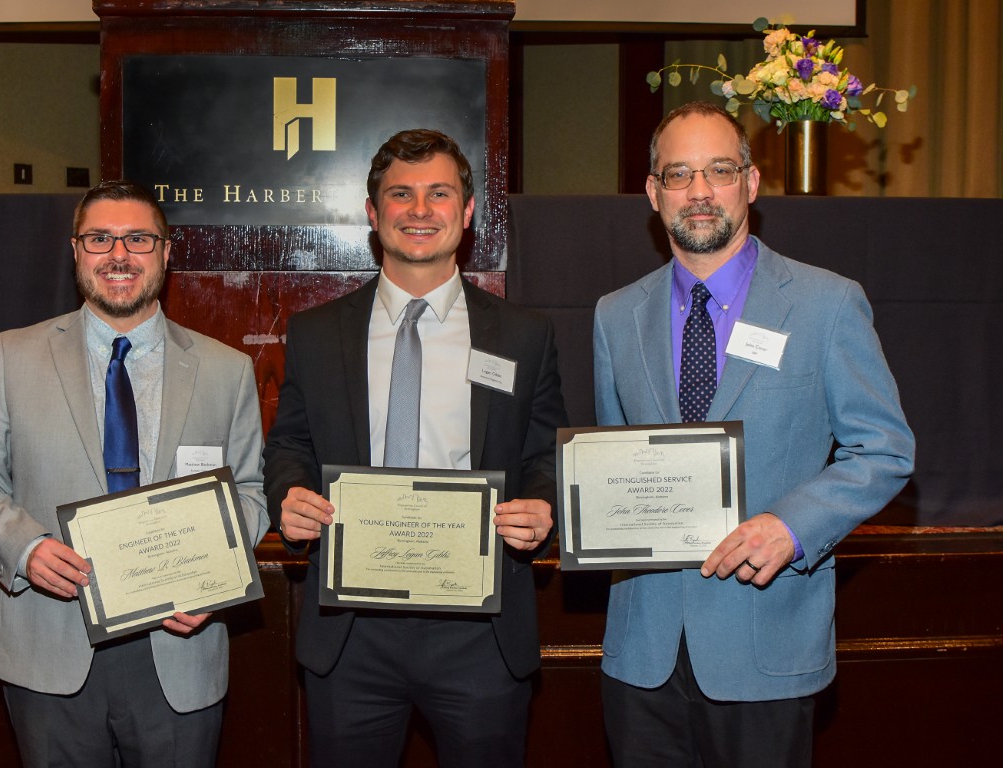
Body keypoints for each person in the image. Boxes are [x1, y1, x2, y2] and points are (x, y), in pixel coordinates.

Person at [592, 101, 914, 766]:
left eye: (719, 170)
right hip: (642, 650)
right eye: (679, 174)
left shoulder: (826, 304)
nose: (700, 191)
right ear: (652, 192)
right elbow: (612, 458)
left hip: (766, 644)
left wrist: (791, 527)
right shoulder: (615, 316)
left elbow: (884, 449)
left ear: (752, 182)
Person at [263, 129, 566, 767]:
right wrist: (289, 495)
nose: (420, 210)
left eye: (439, 193)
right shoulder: (316, 333)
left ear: (468, 210)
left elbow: (544, 453)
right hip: (350, 632)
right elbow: (290, 442)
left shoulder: (523, 335)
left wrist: (543, 506)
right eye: (401, 194)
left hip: (480, 630)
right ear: (373, 214)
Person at [0, 180, 268, 767]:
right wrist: (24, 548)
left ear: (166, 253)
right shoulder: (15, 356)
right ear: (76, 250)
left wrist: (212, 579)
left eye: (138, 239)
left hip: (177, 649)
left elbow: (250, 491)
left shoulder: (227, 370)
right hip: (49, 644)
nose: (119, 254)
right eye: (100, 239)